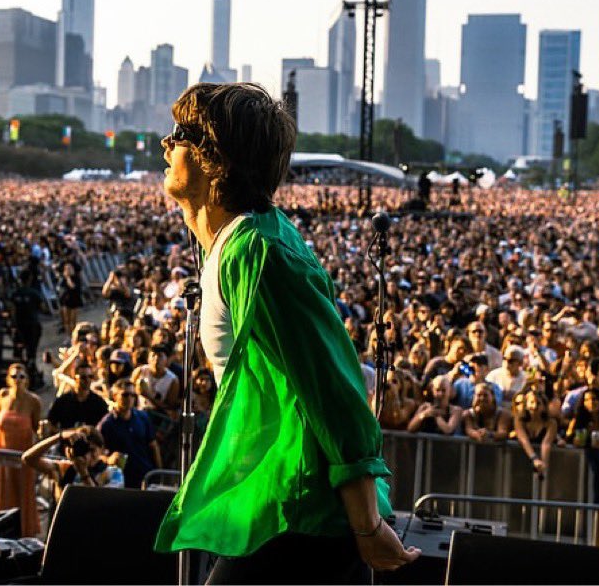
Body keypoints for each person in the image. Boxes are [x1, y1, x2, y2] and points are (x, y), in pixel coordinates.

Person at [153, 82, 419, 582]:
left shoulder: (259, 253)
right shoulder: (240, 242)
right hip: (279, 504)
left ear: (217, 160)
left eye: (180, 134)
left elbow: (334, 386)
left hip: (301, 517)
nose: (165, 146)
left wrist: (367, 526)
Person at [0, 363, 43, 536]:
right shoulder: (3, 395)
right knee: (4, 487)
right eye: (14, 376)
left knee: (23, 489)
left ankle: (24, 529)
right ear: (9, 379)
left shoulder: (34, 401)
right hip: (3, 451)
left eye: (21, 377)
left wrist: (44, 435)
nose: (17, 380)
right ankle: (4, 528)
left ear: (27, 380)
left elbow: (36, 428)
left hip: (22, 454)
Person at [97, 379, 162, 488]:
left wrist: (160, 472)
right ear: (115, 396)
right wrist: (108, 459)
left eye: (133, 395)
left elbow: (153, 446)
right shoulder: (106, 424)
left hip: (145, 476)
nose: (129, 399)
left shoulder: (143, 417)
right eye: (125, 395)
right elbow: (96, 453)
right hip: (120, 479)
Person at [46, 360, 109, 432]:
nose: (87, 380)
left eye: (90, 377)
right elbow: (50, 424)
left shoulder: (98, 402)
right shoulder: (62, 401)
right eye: (83, 377)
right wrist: (64, 433)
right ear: (75, 378)